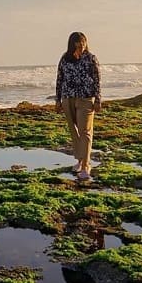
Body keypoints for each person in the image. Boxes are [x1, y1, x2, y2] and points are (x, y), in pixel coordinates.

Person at [55, 32, 101, 181]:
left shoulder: (91, 58)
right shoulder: (65, 59)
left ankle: (86, 165)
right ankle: (80, 161)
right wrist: (58, 99)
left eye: (83, 43)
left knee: (85, 131)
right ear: (72, 44)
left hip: (85, 98)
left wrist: (98, 99)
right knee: (74, 131)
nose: (81, 46)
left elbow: (97, 79)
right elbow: (59, 79)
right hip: (68, 98)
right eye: (78, 43)